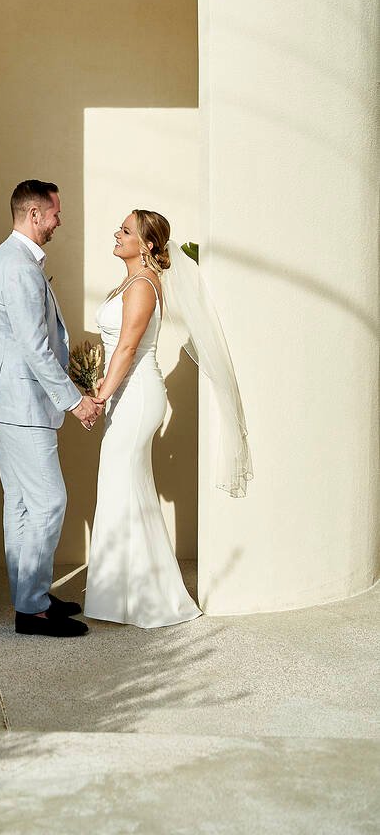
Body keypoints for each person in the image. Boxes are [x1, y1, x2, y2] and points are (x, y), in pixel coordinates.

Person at [84, 209, 252, 628]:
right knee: (121, 486)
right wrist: (102, 386)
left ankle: (156, 598)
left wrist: (100, 395)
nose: (117, 233)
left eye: (126, 230)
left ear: (148, 245)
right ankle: (118, 596)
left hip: (137, 396)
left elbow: (126, 350)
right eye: (119, 228)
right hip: (123, 393)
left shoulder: (142, 286)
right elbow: (114, 350)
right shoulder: (130, 282)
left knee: (126, 485)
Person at [0, 180, 102, 637]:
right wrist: (75, 401)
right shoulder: (18, 266)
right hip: (22, 402)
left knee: (25, 505)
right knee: (49, 501)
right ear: (34, 214)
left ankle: (31, 599)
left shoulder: (11, 260)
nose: (58, 221)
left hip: (9, 401)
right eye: (54, 213)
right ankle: (31, 610)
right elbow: (34, 346)